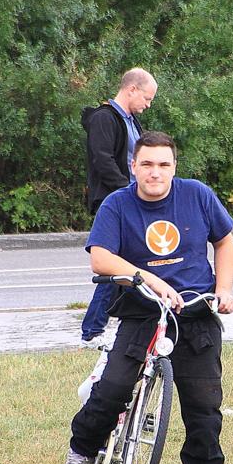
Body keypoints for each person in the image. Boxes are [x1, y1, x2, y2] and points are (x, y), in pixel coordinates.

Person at [58, 131, 233, 464]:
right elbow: (100, 258)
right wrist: (151, 280)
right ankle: (82, 451)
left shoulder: (197, 195)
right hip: (142, 313)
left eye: (163, 164)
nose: (155, 172)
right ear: (133, 166)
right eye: (147, 164)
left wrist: (224, 289)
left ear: (174, 167)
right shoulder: (117, 204)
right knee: (111, 390)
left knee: (204, 410)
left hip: (195, 315)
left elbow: (225, 241)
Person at [79, 68, 159, 343]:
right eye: (147, 98)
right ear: (131, 89)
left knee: (132, 263)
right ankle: (92, 332)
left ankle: (135, 322)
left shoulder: (132, 121)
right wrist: (128, 192)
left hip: (132, 200)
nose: (148, 105)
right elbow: (102, 161)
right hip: (115, 202)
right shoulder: (104, 118)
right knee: (114, 264)